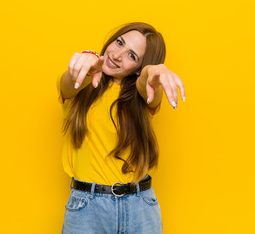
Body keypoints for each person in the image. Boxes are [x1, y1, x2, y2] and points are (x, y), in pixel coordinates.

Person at [56, 22, 185, 234]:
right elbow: (69, 83)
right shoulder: (83, 84)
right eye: (119, 42)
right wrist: (81, 67)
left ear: (138, 68)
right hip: (86, 208)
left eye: (132, 56)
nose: (116, 55)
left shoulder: (142, 96)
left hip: (139, 208)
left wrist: (155, 72)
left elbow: (147, 83)